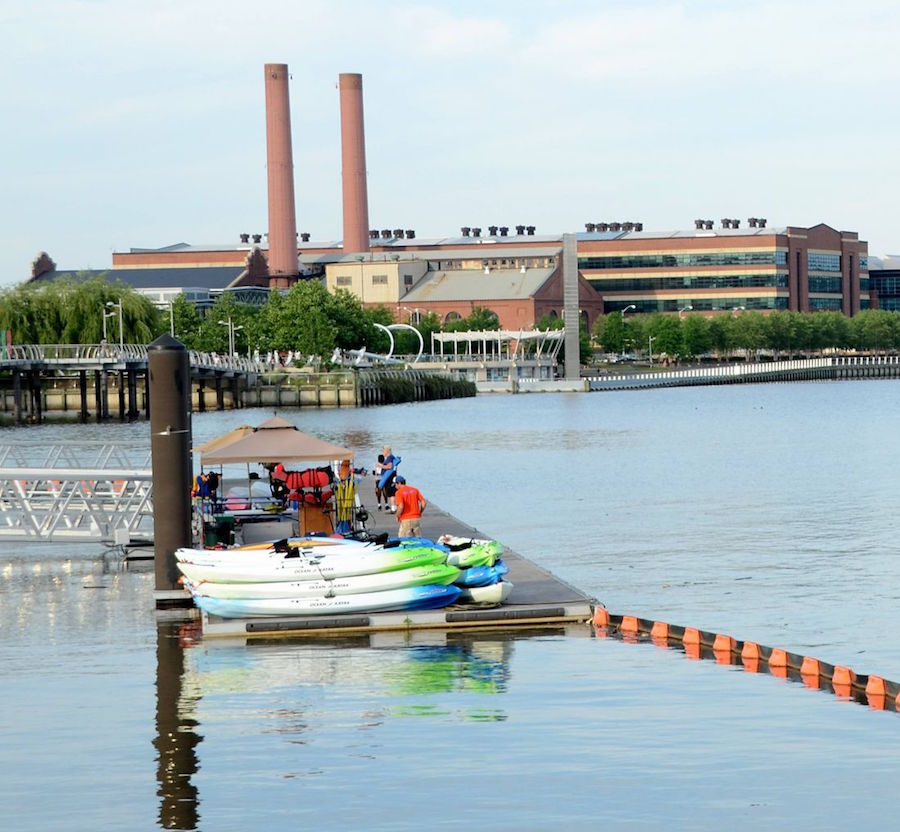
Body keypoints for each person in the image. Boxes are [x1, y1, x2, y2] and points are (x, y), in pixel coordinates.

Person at [379, 445, 400, 512]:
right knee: (393, 493)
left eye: (383, 451)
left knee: (391, 493)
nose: (383, 452)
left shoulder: (389, 457)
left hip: (389, 478)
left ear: (386, 450)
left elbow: (389, 466)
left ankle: (393, 508)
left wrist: (380, 465)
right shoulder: (391, 457)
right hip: (392, 477)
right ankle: (394, 507)